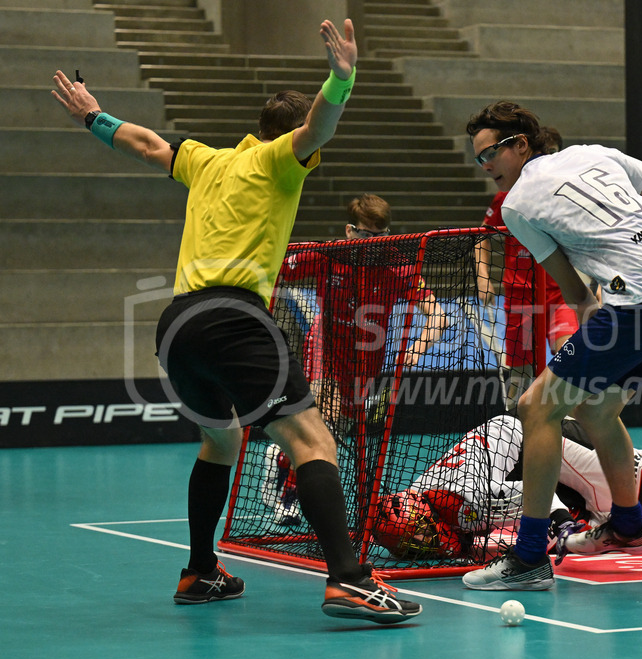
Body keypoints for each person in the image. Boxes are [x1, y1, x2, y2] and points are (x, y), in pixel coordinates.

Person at [49, 19, 422, 623]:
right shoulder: (280, 161)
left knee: (220, 440)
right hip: (232, 316)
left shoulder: (206, 160)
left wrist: (96, 115)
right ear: (290, 137)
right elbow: (319, 125)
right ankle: (350, 580)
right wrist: (342, 80)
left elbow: (146, 145)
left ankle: (200, 572)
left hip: (176, 325)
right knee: (312, 440)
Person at [459, 101, 642, 591]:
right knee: (596, 412)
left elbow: (571, 292)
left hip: (640, 305)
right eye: (478, 158)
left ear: (520, 144)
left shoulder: (516, 205)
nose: (485, 166)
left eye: (489, 153)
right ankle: (630, 529)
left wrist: (594, 308)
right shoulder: (596, 153)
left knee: (538, 408)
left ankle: (529, 557)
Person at [371, 414, 642, 561]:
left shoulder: (459, 498)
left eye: (416, 538)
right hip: (535, 467)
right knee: (608, 513)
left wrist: (566, 529)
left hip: (544, 440)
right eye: (410, 547)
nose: (420, 546)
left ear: (419, 514)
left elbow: (534, 496)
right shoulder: (432, 507)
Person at [277, 193, 448, 433]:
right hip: (326, 344)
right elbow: (277, 272)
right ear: (350, 231)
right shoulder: (327, 255)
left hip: (367, 357)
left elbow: (439, 316)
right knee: (325, 410)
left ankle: (283, 460)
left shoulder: (397, 266)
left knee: (337, 429)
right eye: (367, 235)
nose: (375, 244)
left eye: (381, 236)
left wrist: (419, 346)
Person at [474, 126, 580, 409]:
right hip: (521, 298)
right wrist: (483, 276)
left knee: (569, 361)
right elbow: (480, 240)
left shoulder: (568, 195)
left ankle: (569, 427)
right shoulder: (507, 198)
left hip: (561, 297)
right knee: (521, 377)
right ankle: (514, 430)